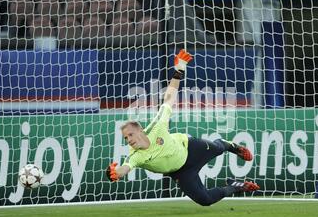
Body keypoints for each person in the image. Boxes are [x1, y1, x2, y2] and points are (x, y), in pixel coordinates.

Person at [106, 49, 260, 206]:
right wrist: (114, 174)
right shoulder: (135, 156)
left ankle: (230, 145)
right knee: (204, 200)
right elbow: (125, 168)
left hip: (190, 148)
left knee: (218, 148)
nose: (129, 140)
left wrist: (179, 70)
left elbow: (169, 97)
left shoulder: (157, 126)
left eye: (130, 135)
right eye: (126, 138)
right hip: (181, 172)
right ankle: (235, 187)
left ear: (140, 130)